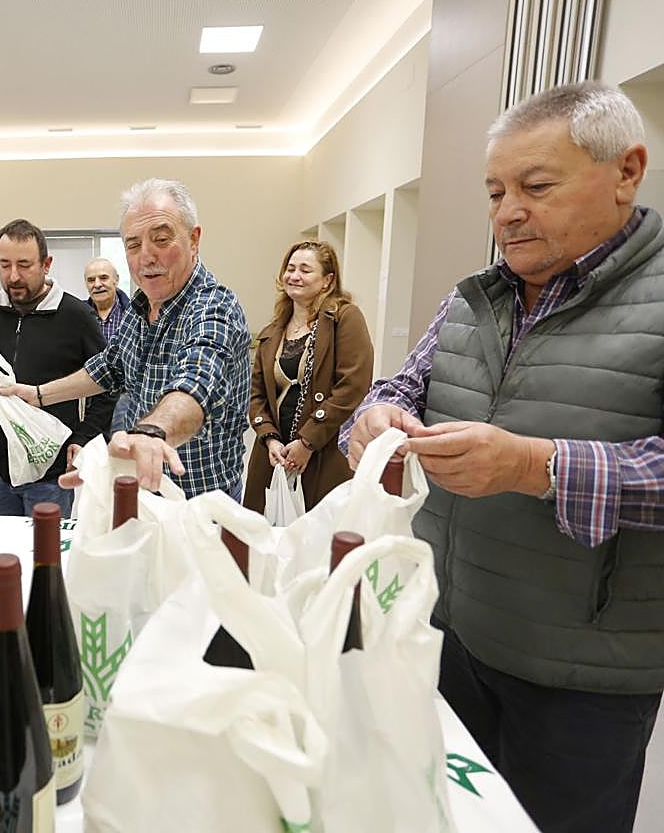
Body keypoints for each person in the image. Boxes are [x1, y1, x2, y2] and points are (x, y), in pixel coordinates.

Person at [342, 81, 662, 833]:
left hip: (581, 671)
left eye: (536, 186)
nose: (507, 212)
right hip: (451, 635)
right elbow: (402, 383)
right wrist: (376, 414)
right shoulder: (475, 298)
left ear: (627, 171)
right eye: (495, 191)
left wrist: (537, 467)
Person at [0, 178, 251, 499]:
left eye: (161, 239)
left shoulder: (214, 308)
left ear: (193, 239)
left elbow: (197, 380)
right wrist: (38, 394)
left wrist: (151, 432)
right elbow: (109, 367)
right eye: (133, 245)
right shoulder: (141, 304)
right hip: (142, 487)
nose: (146, 256)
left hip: (199, 500)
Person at [0, 219, 112, 516]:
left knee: (46, 555)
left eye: (24, 265)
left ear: (46, 264)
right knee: (0, 554)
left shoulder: (76, 316)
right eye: (5, 265)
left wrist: (83, 437)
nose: (13, 276)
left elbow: (108, 383)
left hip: (50, 472)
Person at [242, 241, 372, 513]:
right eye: (290, 269)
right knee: (266, 542)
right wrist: (269, 438)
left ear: (327, 280)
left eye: (305, 270)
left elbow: (353, 385)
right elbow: (256, 396)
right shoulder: (272, 331)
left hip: (324, 451)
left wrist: (307, 442)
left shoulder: (344, 318)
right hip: (273, 455)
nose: (294, 276)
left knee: (316, 542)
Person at [83, 257, 133, 435]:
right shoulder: (78, 316)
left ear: (116, 280)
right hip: (89, 399)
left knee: (120, 451)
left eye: (103, 278)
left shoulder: (134, 315)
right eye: (91, 280)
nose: (97, 284)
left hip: (124, 397)